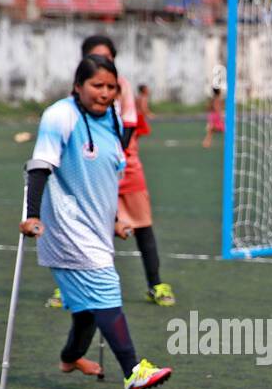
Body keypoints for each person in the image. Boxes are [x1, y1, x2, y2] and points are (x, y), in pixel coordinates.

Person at [21, 54, 173, 389]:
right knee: (106, 293)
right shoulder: (60, 116)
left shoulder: (115, 119)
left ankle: (70, 358)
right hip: (65, 227)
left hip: (97, 228)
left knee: (88, 311)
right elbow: (39, 166)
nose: (104, 93)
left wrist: (116, 220)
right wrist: (32, 215)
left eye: (111, 87)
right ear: (78, 86)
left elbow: (106, 176)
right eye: (97, 86)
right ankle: (133, 372)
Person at [47, 35, 176, 309]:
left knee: (142, 225)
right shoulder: (77, 96)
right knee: (81, 227)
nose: (104, 63)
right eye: (96, 57)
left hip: (124, 164)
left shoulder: (123, 87)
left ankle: (155, 284)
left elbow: (128, 125)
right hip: (88, 169)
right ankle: (69, 286)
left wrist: (113, 157)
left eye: (108, 57)